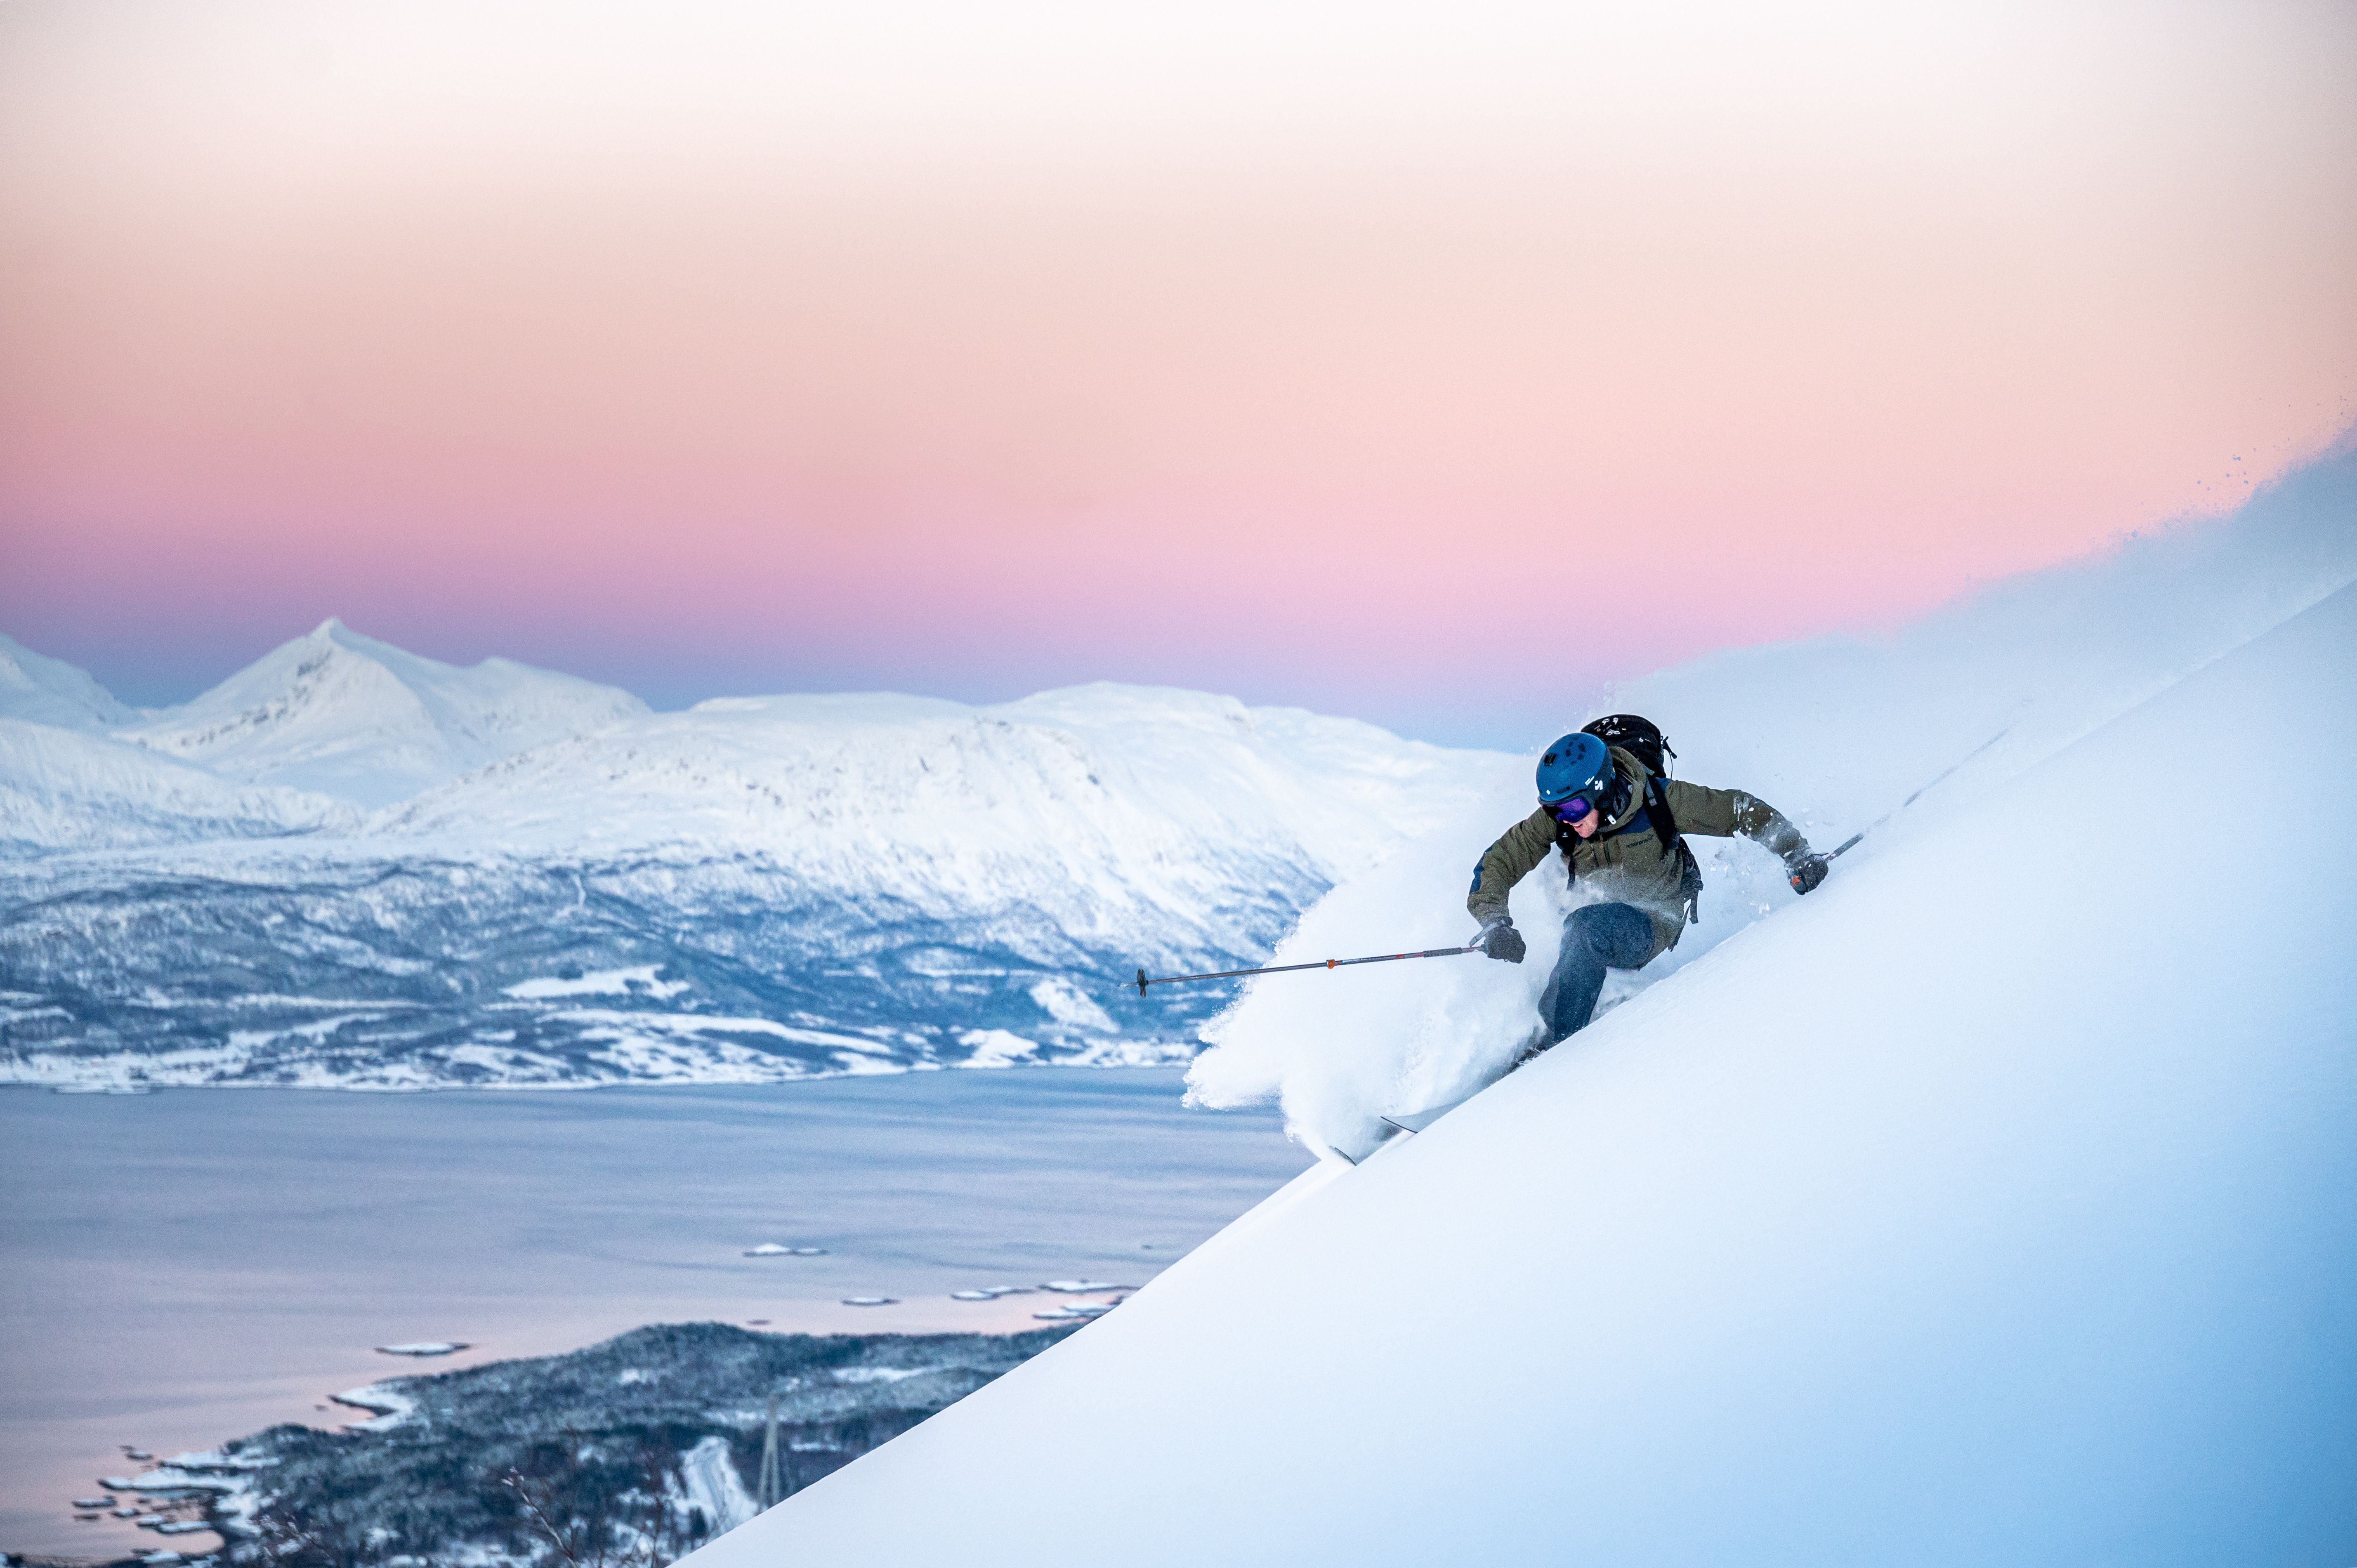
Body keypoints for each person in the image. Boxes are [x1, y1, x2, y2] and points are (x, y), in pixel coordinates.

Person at [1467, 728, 1827, 1048]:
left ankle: (1559, 1047)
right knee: (1579, 925)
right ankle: (1564, 1009)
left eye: (1574, 807)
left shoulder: (1661, 801)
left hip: (1653, 919)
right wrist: (1495, 921)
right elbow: (1501, 859)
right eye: (1554, 810)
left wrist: (1796, 853)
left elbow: (1738, 810)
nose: (1565, 819)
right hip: (1598, 915)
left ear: (1600, 790)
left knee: (1584, 930)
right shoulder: (1565, 817)